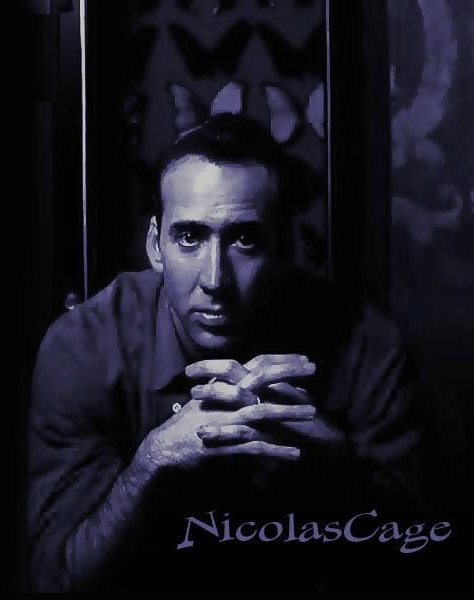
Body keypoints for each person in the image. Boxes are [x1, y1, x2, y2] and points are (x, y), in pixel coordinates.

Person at [26, 114, 425, 592]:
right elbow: (57, 579)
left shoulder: (367, 346)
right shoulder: (84, 347)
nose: (215, 280)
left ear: (285, 247)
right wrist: (149, 465)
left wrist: (340, 472)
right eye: (189, 237)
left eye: (245, 239)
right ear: (156, 246)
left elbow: (423, 564)